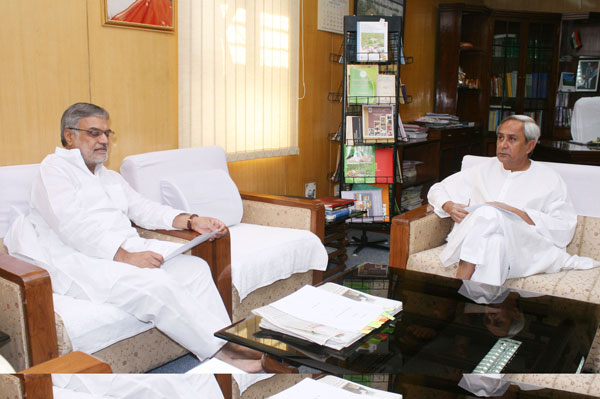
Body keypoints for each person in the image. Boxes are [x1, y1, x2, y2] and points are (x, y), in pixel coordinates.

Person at [4, 102, 262, 372]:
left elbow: (143, 208)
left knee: (195, 268)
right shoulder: (54, 170)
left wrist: (191, 220)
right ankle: (227, 354)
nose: (104, 140)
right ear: (70, 137)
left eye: (107, 133)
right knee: (156, 285)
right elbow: (72, 226)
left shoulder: (108, 177)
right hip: (80, 260)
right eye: (94, 133)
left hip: (123, 250)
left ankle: (226, 339)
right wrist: (125, 257)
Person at [427, 115, 598, 286]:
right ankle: (480, 305)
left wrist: (514, 213)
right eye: (500, 137)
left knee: (489, 212)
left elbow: (564, 227)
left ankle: (463, 272)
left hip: (524, 250)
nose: (503, 144)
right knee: (495, 242)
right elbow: (437, 189)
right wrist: (449, 206)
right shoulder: (482, 170)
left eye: (512, 139)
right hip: (495, 249)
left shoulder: (549, 179)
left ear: (529, 146)